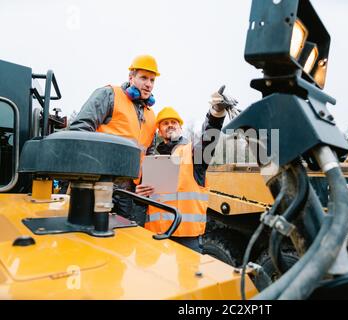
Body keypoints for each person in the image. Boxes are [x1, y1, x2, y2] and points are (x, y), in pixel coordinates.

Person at [136, 88, 238, 253]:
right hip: (157, 237)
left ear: (180, 128)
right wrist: (139, 195)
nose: (170, 125)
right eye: (165, 123)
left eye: (174, 122)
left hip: (187, 239)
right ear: (159, 131)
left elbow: (208, 139)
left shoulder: (193, 154)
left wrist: (215, 114)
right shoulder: (150, 159)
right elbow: (143, 200)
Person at [70, 54, 159, 222]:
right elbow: (80, 131)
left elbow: (149, 155)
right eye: (144, 78)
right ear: (131, 77)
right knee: (89, 235)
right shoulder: (109, 95)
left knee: (122, 239)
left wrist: (146, 182)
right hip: (97, 185)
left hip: (128, 193)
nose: (149, 84)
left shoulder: (151, 115)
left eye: (152, 80)